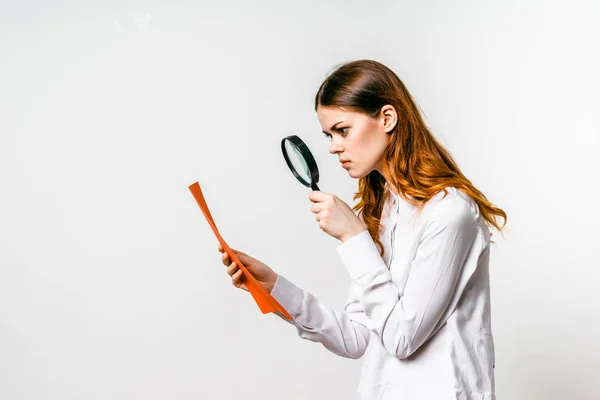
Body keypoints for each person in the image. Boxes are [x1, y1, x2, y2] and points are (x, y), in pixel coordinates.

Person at [217, 59, 507, 400]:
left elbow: (402, 338)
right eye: (328, 135)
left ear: (387, 118)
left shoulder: (450, 214)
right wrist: (274, 287)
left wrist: (354, 238)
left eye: (343, 130)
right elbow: (358, 338)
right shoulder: (381, 212)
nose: (333, 146)